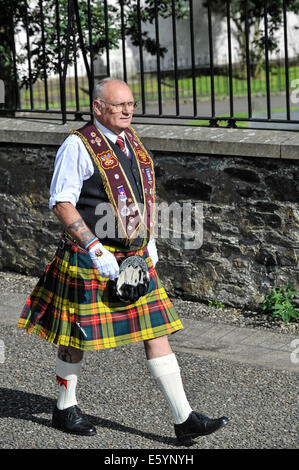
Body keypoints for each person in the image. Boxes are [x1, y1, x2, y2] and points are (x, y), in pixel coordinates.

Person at [18, 78, 228, 445]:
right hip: (92, 255)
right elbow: (61, 202)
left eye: (131, 104)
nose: (128, 111)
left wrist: (149, 241)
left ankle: (184, 418)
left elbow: (138, 197)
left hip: (134, 255)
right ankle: (65, 406)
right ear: (98, 107)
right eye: (119, 106)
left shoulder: (131, 141)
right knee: (76, 334)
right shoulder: (77, 145)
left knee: (156, 330)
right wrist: (94, 248)